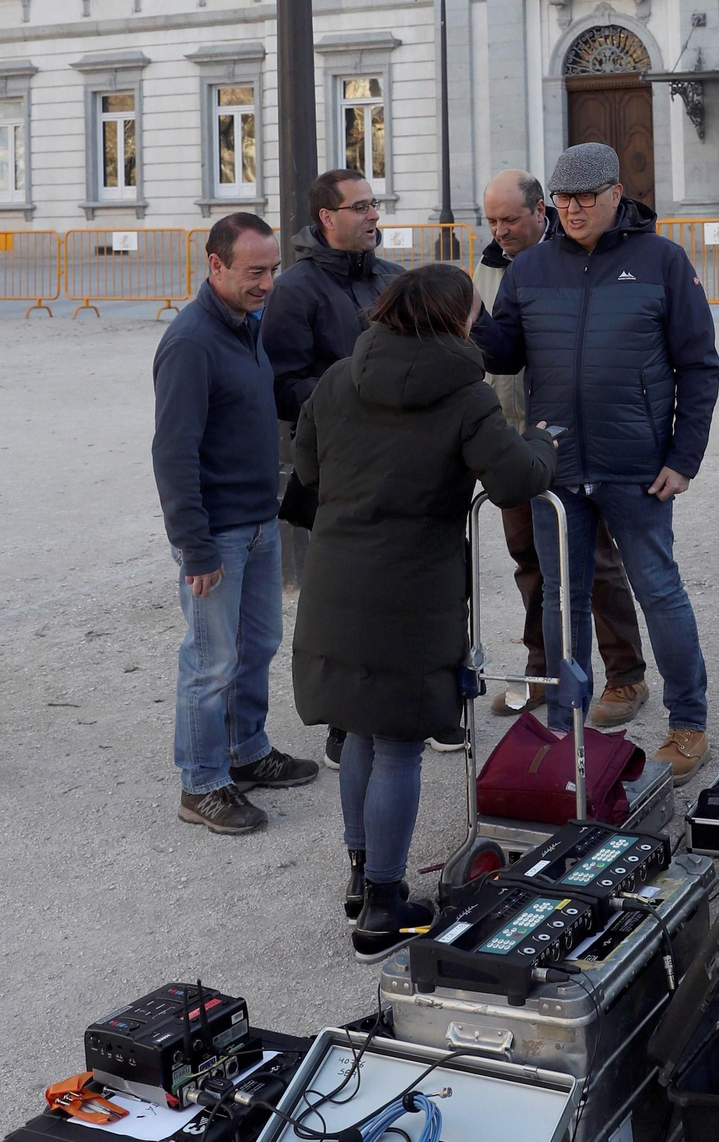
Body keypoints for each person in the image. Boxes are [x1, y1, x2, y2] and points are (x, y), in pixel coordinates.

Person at [291, 265, 557, 961]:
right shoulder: (466, 396)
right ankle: (382, 908)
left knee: (358, 734)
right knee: (401, 744)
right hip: (410, 592)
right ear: (455, 320)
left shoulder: (338, 378)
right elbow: (515, 482)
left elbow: (309, 470)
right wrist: (545, 442)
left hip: (334, 582)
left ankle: (361, 874)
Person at [474, 143, 719, 784]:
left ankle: (688, 724)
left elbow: (699, 365)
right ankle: (564, 724)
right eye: (563, 199)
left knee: (659, 591)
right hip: (554, 466)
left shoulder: (662, 260)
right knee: (562, 599)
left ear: (617, 192)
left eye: (586, 197)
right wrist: (469, 315)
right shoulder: (529, 269)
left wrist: (684, 456)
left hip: (636, 465)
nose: (574, 209)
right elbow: (503, 356)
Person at [152, 213, 319, 836]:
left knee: (257, 647)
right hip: (216, 535)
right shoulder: (191, 341)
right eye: (254, 272)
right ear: (215, 265)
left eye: (273, 270)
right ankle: (200, 784)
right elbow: (172, 453)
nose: (267, 284)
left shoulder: (249, 326)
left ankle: (247, 751)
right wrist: (194, 547)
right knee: (209, 660)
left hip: (258, 523)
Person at [475, 169, 651, 727]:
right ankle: (547, 670)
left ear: (540, 213)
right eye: (493, 221)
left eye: (510, 220)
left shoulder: (576, 258)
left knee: (596, 563)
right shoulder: (486, 268)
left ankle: (626, 676)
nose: (500, 230)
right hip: (507, 441)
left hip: (571, 443)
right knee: (531, 562)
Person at [262, 168, 404, 772]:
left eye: (375, 204)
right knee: (349, 602)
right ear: (327, 217)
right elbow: (281, 384)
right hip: (340, 471)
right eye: (361, 207)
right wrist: (350, 398)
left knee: (408, 591)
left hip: (406, 465)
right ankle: (346, 725)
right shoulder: (293, 290)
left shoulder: (395, 280)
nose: (374, 215)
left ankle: (409, 705)